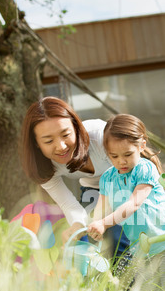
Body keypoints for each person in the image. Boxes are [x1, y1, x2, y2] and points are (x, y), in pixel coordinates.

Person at [87, 114, 165, 291]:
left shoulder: (145, 168)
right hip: (141, 248)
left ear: (141, 146)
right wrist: (95, 225)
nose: (121, 161)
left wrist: (105, 223)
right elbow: (101, 208)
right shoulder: (107, 178)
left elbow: (133, 203)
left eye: (127, 154)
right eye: (114, 156)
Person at [20, 96, 130, 263]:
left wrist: (102, 218)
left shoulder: (100, 136)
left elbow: (129, 175)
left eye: (66, 134)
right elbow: (68, 204)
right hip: (93, 189)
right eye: (49, 141)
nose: (61, 146)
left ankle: (130, 285)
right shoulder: (44, 167)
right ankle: (91, 285)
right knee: (81, 242)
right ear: (36, 143)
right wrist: (78, 224)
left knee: (117, 238)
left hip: (127, 183)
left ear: (76, 127)